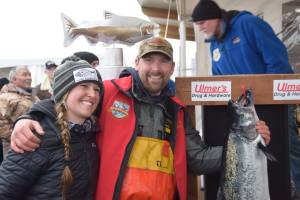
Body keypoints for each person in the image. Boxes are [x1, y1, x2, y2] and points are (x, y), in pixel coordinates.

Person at [10, 37, 271, 200]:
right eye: (149, 60)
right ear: (137, 63)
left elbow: (198, 159)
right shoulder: (109, 92)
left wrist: (246, 144)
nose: (155, 68)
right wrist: (29, 116)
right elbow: (69, 104)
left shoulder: (177, 111)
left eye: (163, 62)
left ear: (172, 68)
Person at [191, 0, 299, 199]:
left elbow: (277, 60)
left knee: (288, 152)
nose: (200, 28)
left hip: (274, 106)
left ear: (215, 17)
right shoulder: (214, 44)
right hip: (243, 114)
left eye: (202, 22)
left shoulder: (248, 24)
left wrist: (271, 97)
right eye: (198, 25)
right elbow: (219, 80)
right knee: (255, 163)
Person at [0, 60, 103, 199]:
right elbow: (5, 191)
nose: (92, 94)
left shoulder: (91, 132)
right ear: (64, 91)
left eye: (97, 89)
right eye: (84, 86)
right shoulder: (37, 135)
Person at [0, 66, 39, 159]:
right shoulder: (5, 97)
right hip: (15, 148)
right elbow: (1, 123)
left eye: (29, 74)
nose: (29, 77)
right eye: (24, 75)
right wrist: (18, 137)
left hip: (35, 146)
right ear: (14, 79)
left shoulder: (33, 96)